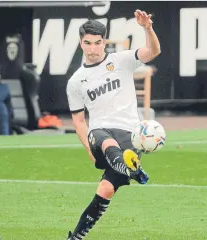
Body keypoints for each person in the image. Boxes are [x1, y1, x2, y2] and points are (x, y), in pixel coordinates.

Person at [65, 10, 161, 239]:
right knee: (101, 134)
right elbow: (79, 121)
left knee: (105, 190)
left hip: (130, 135)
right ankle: (132, 168)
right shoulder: (75, 81)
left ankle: (75, 237)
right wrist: (89, 149)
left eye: (97, 43)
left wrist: (147, 28)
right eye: (87, 43)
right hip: (99, 135)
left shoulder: (121, 60)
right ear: (81, 43)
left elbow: (154, 51)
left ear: (104, 42)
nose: (92, 48)